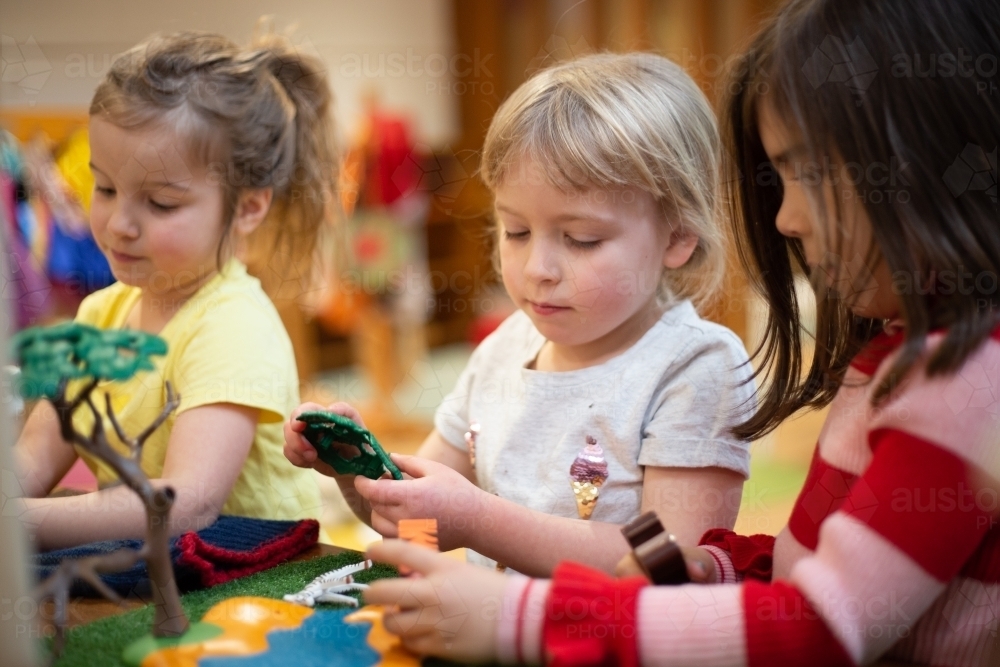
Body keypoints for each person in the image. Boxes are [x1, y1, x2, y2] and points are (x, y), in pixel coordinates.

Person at [358, 0, 1000, 663]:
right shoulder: (903, 355)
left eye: (805, 175)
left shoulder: (965, 385)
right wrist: (717, 569)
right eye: (514, 230)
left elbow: (822, 628)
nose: (784, 219)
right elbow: (796, 571)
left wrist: (515, 616)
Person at [286, 52, 756, 577]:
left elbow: (670, 565)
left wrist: (478, 520)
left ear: (679, 235)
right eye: (516, 231)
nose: (538, 268)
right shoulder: (502, 350)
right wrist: (359, 471)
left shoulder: (696, 368)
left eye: (581, 239)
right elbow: (419, 526)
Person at [13, 29, 337, 552]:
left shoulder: (234, 326)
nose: (119, 223)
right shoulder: (98, 315)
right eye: (105, 188)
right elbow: (31, 461)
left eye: (160, 203)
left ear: (249, 207)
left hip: (250, 577)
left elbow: (188, 504)